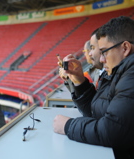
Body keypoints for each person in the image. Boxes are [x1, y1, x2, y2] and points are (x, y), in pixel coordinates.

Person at [53, 16, 134, 159]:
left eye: (104, 51)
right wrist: (79, 80)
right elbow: (95, 111)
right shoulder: (120, 71)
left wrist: (68, 126)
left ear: (125, 48)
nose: (102, 59)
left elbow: (113, 131)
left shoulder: (130, 73)